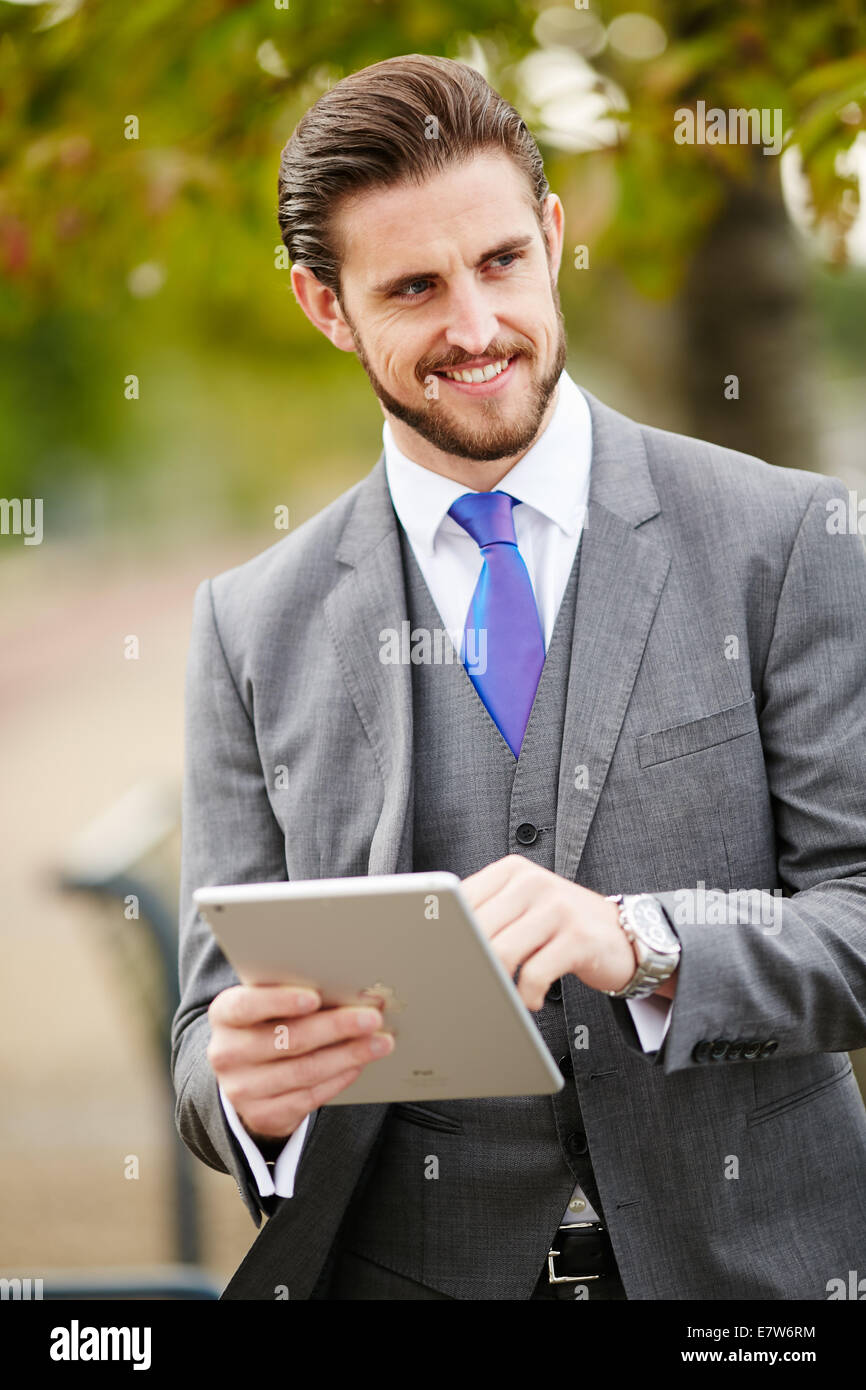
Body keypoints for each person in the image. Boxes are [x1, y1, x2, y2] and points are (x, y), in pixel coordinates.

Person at [171, 54, 866, 1301]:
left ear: (550, 235)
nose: (477, 328)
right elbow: (207, 1041)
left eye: (499, 262)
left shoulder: (783, 540)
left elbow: (858, 917)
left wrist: (642, 942)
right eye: (414, 288)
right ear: (323, 306)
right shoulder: (245, 626)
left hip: (756, 1286)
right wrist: (245, 1094)